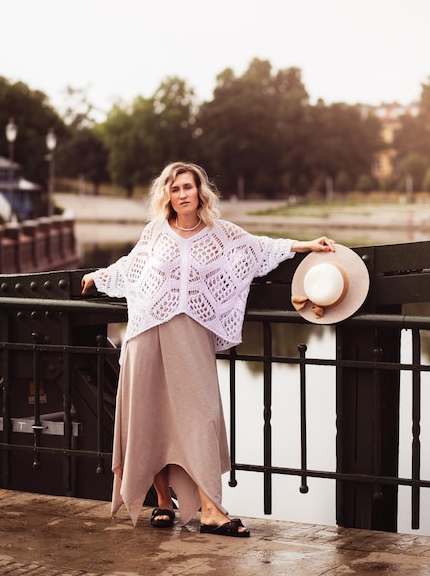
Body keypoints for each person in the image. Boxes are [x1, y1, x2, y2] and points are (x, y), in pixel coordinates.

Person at [81, 162, 336, 538]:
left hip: (190, 338)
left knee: (202, 417)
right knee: (148, 416)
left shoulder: (221, 234)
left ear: (201, 191)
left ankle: (211, 509)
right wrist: (98, 276)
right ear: (167, 196)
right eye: (175, 188)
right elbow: (131, 268)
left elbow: (261, 248)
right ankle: (164, 502)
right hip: (146, 334)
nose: (183, 194)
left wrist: (305, 245)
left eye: (188, 186)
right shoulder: (155, 232)